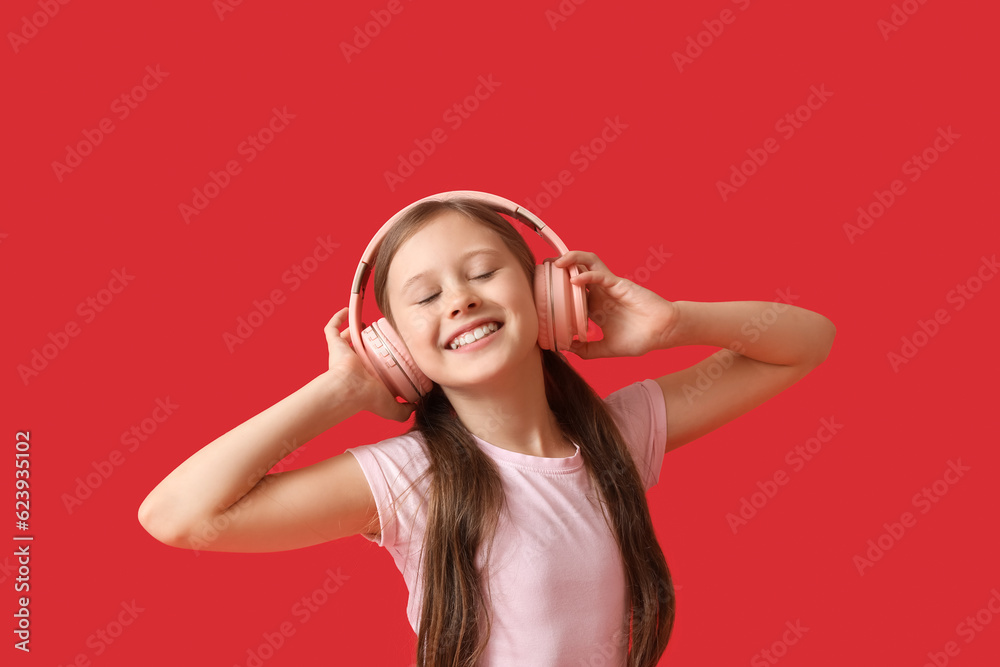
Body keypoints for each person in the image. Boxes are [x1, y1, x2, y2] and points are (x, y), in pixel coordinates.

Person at [138, 196, 836, 667]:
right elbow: (178, 515)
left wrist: (671, 324)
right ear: (398, 347)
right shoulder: (413, 478)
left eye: (482, 272)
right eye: (426, 295)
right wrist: (340, 391)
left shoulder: (613, 438)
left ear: (546, 296)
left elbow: (806, 342)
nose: (462, 298)